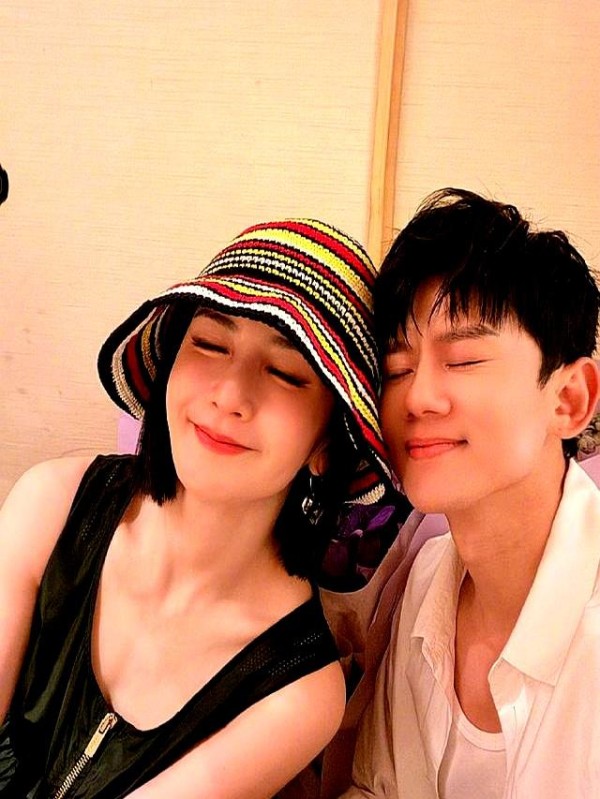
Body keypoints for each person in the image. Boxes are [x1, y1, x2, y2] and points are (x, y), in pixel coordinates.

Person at [0, 218, 393, 799]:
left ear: (328, 444)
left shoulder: (299, 693)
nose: (229, 396)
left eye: (285, 373)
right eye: (209, 344)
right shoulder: (51, 505)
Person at [342, 188, 600, 798]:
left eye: (461, 360)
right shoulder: (427, 578)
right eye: (397, 370)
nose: (418, 398)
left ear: (569, 400)